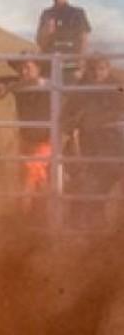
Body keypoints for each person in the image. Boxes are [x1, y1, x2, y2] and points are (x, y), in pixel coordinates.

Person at [0, 55, 54, 219]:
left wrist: (9, 87)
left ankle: (24, 218)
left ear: (38, 68)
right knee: (34, 179)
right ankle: (40, 217)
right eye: (21, 68)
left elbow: (37, 83)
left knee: (30, 179)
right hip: (26, 139)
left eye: (28, 67)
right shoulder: (18, 81)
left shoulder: (44, 82)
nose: (23, 71)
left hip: (45, 140)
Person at [62, 55, 124, 229]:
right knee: (86, 184)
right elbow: (65, 117)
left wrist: (95, 119)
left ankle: (104, 226)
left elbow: (122, 108)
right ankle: (82, 225)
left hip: (114, 146)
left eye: (101, 69)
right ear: (87, 71)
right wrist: (75, 122)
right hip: (86, 147)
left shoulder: (117, 86)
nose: (97, 73)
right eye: (93, 69)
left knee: (102, 183)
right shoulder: (80, 89)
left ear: (108, 69)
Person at [35, 0, 91, 80]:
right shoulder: (46, 14)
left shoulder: (77, 13)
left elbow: (84, 40)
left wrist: (81, 65)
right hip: (50, 64)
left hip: (71, 64)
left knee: (70, 94)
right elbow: (40, 42)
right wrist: (46, 31)